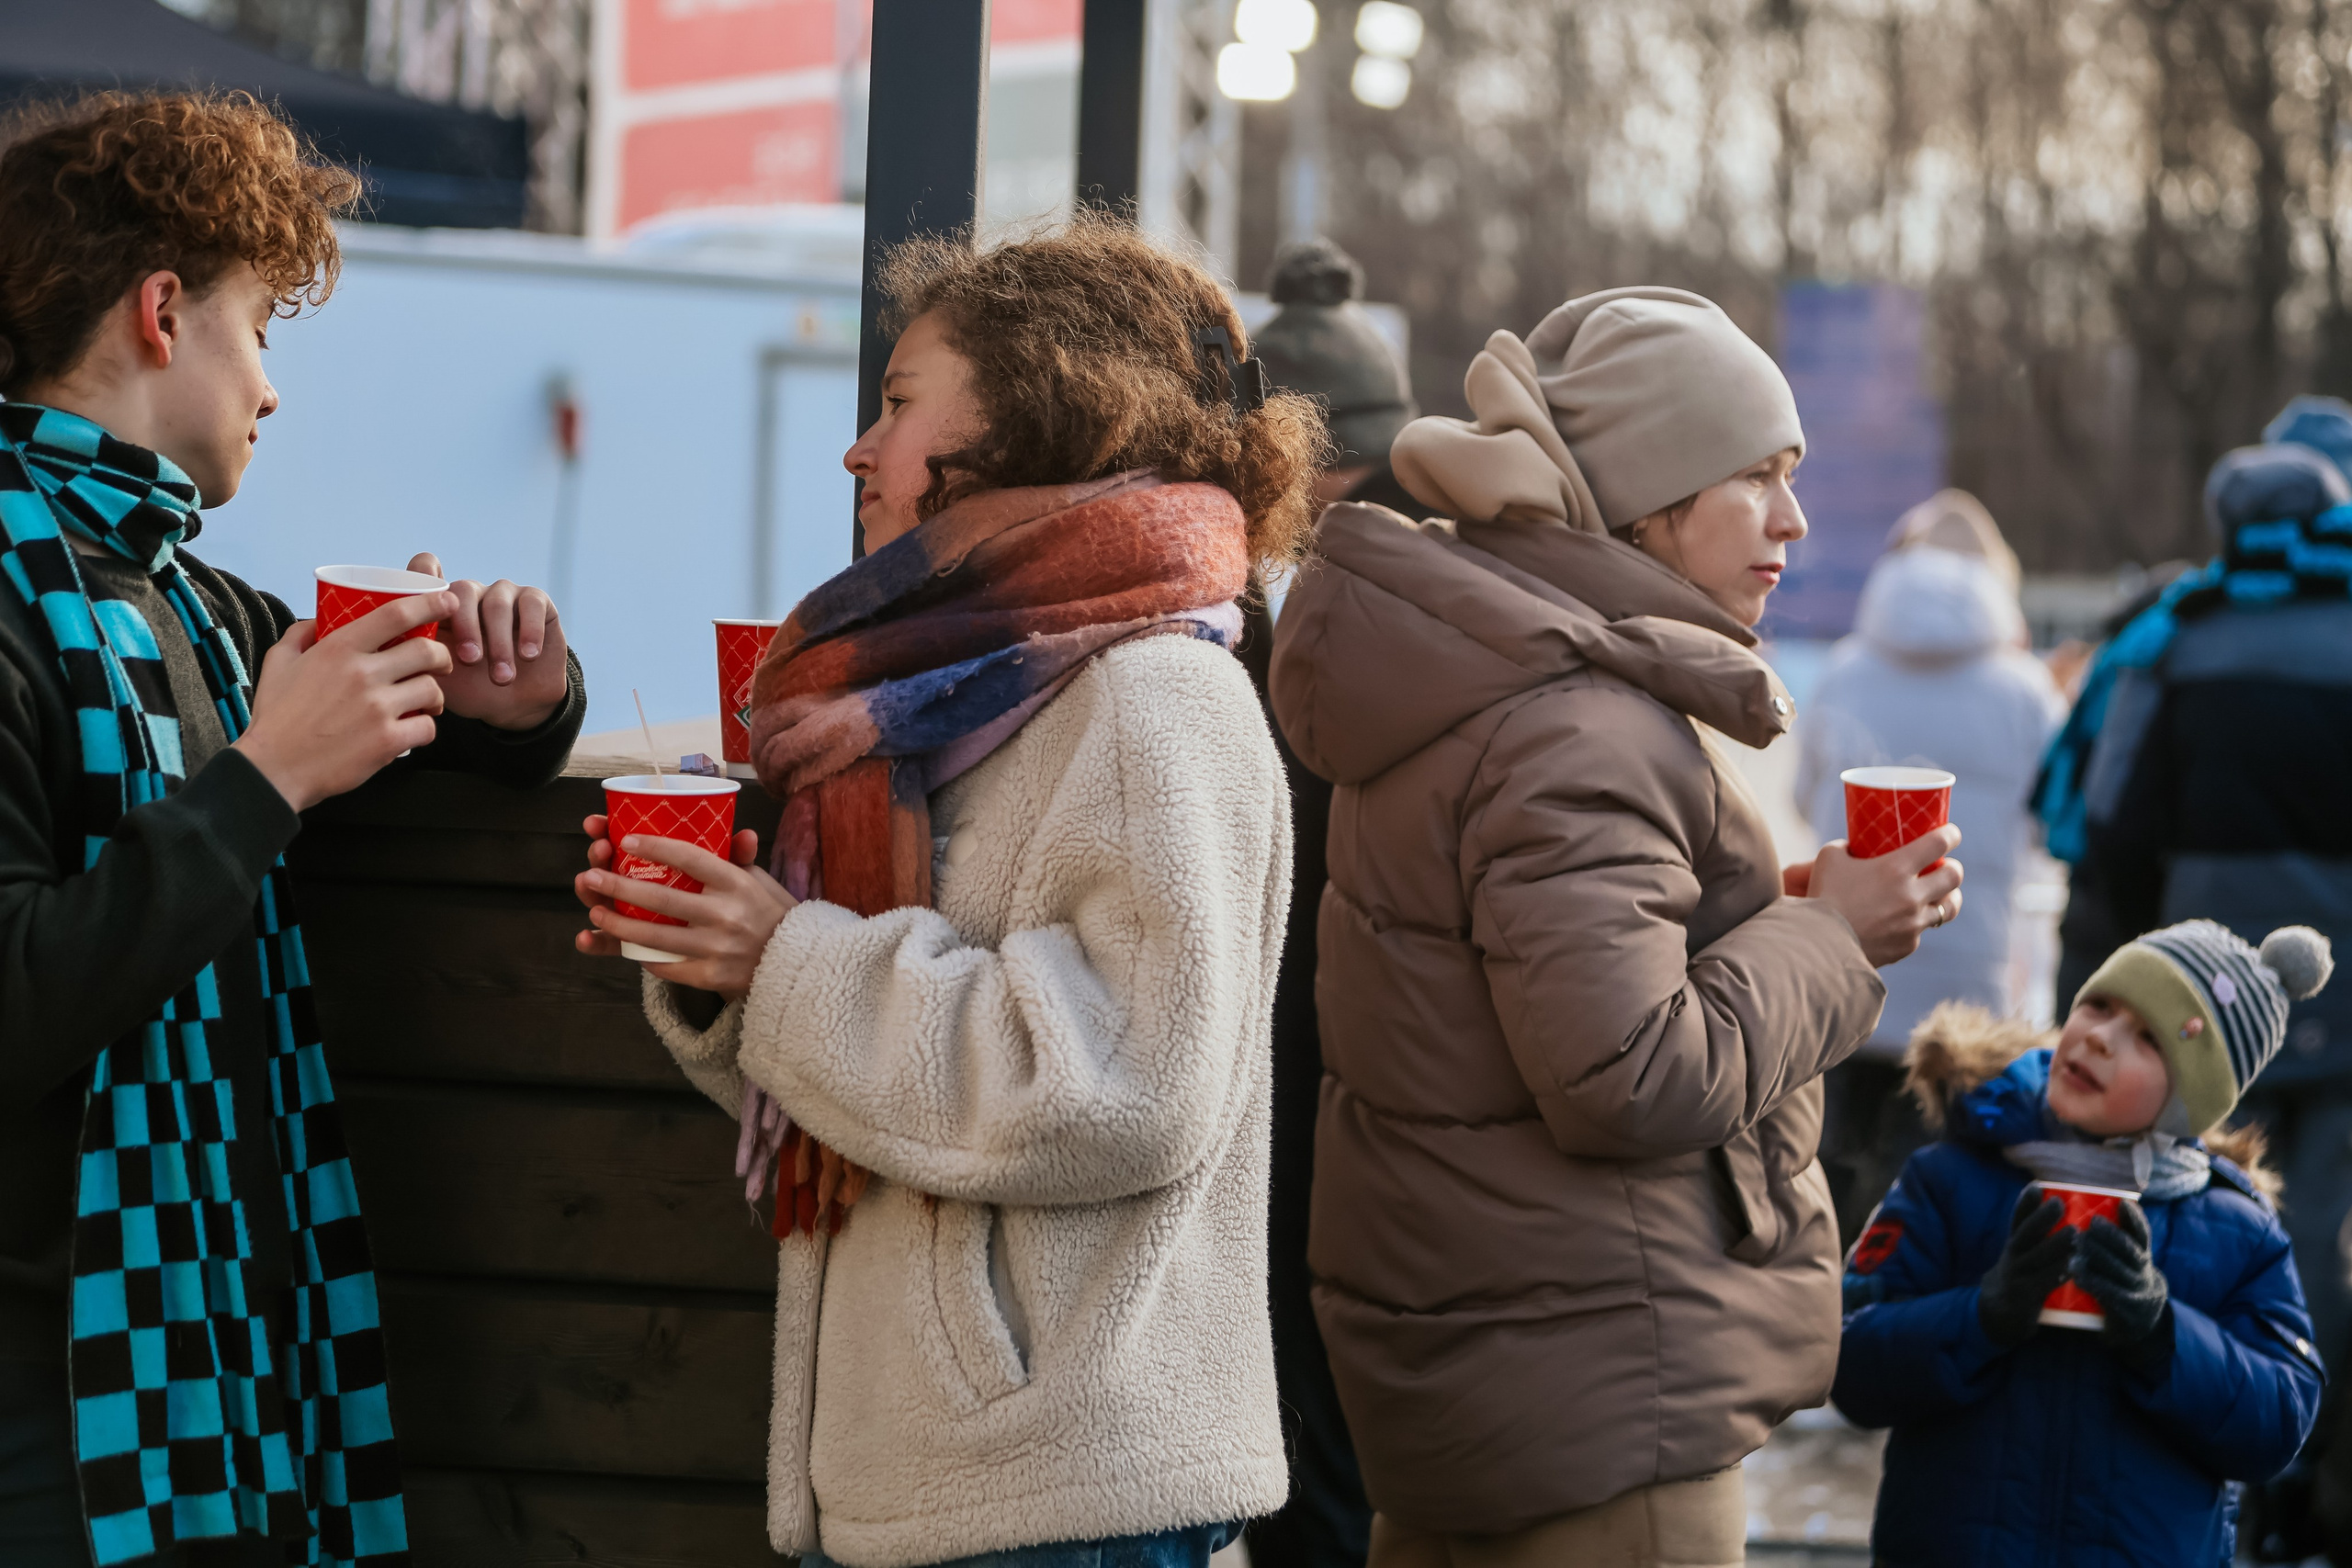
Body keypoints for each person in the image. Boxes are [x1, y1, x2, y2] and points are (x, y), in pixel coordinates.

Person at [570, 220, 1322, 1566]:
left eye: (903, 402)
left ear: (1043, 408)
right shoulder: (952, 694)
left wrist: (789, 959)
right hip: (945, 1477)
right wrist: (720, 963)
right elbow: (888, 1087)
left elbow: (1130, 1083)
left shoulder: (1158, 694)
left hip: (1066, 1496)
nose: (861, 446)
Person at [1268, 288, 1962, 1566]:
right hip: (1601, 1404)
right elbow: (1626, 1072)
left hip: (1497, 1374)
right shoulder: (1579, 726)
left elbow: (1531, 998)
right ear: (1647, 496)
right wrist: (1835, 940)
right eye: (1755, 475)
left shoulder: (1490, 684)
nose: (1793, 519)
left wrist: (1791, 912)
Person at [0, 94, 586, 1568]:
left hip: (215, 1390)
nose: (272, 388)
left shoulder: (187, 597)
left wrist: (525, 702)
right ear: (160, 313)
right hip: (50, 1422)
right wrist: (267, 777)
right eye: (259, 325)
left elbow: (410, 735)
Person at [1834, 920, 2332, 1565]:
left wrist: (2164, 1333)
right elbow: (1847, 1362)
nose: (2100, 1036)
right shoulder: (1952, 1177)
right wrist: (1981, 1314)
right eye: (2100, 1005)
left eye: (2148, 1038)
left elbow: (2280, 1421)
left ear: (2188, 1100)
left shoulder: (2238, 1230)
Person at [2037, 441, 2352, 1366]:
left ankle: (2207, 1444)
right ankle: (2300, 1458)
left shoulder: (2175, 640)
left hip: (2197, 1008)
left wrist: (2149, 959)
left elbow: (2113, 825)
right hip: (2349, 998)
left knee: (2196, 1207)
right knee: (2322, 1226)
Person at [1237, 237, 1414, 1568]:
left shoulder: (1347, 594)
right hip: (1353, 1055)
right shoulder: (1430, 569)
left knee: (1325, 1438)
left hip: (1325, 1057)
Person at [1797, 490, 2065, 1242]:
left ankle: (1825, 1334)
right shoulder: (2027, 689)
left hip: (1847, 965)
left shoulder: (1845, 671)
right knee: (1931, 1207)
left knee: (1823, 1180)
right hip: (1966, 985)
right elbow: (2051, 826)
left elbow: (1799, 794)